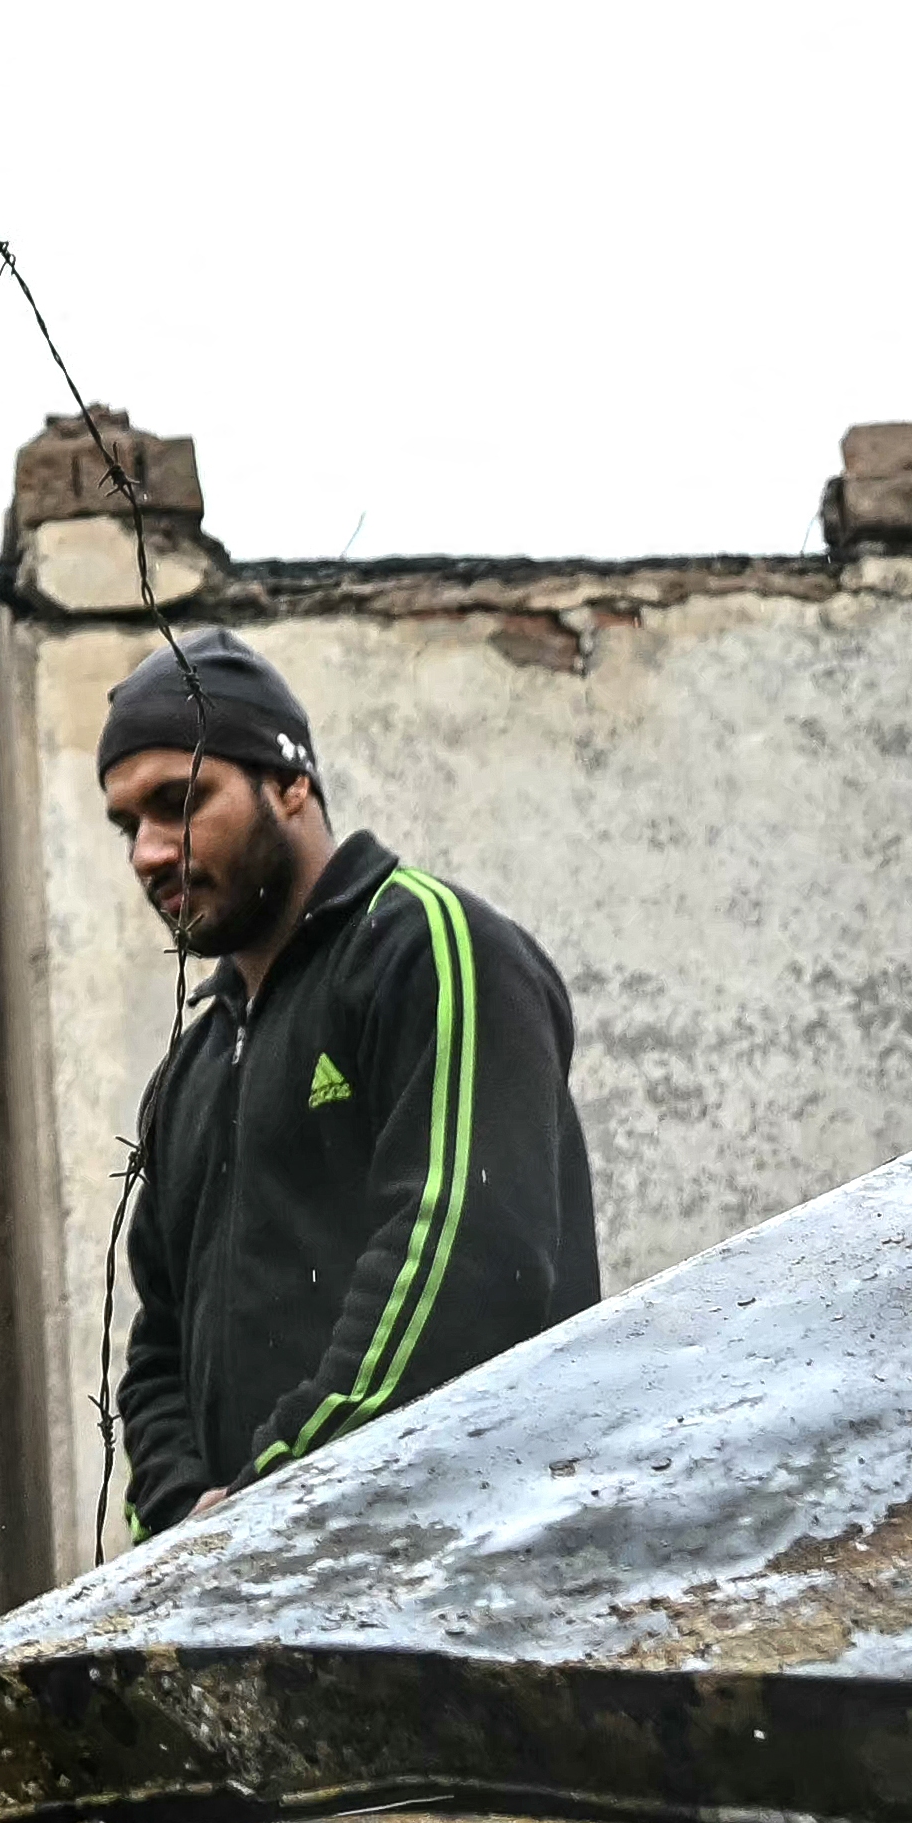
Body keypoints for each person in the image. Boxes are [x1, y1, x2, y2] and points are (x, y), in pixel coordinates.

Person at [99, 628, 595, 1536]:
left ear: (291, 785)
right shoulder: (191, 1070)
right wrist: (178, 1535)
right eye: (128, 823)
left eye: (179, 801)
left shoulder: (428, 948)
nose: (147, 851)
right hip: (248, 1604)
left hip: (462, 1577)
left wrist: (266, 1504)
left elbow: (464, 1259)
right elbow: (157, 1352)